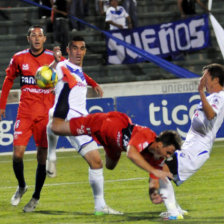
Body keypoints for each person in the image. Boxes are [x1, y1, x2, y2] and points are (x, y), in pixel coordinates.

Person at [46, 36, 124, 215]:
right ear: (68, 50)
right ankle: (51, 154)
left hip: (82, 118)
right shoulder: (62, 66)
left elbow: (81, 74)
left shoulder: (78, 70)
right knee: (97, 162)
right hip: (72, 118)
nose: (78, 52)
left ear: (85, 51)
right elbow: (55, 71)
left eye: (82, 48)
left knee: (96, 163)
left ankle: (99, 207)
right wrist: (55, 61)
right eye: (74, 48)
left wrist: (93, 83)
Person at [50, 110, 182, 205]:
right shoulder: (146, 134)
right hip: (102, 124)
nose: (168, 156)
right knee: (57, 128)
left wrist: (153, 193)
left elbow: (153, 181)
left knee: (110, 166)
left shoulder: (157, 158)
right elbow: (131, 153)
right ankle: (59, 102)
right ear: (160, 144)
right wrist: (153, 170)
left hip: (114, 145)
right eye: (168, 152)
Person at [0, 25, 62, 212]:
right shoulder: (19, 58)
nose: (36, 38)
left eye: (40, 35)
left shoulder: (54, 58)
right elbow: (9, 79)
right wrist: (2, 104)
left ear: (44, 39)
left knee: (41, 158)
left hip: (45, 115)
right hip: (25, 113)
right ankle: (21, 186)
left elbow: (71, 72)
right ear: (28, 39)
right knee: (17, 154)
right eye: (33, 35)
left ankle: (35, 197)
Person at [157, 63, 224, 220]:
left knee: (161, 172)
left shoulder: (218, 97)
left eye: (205, 77)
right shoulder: (216, 97)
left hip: (196, 151)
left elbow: (210, 115)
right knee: (163, 170)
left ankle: (173, 213)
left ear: (215, 79)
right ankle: (176, 210)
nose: (202, 80)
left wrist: (200, 92)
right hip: (193, 149)